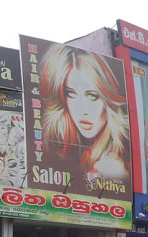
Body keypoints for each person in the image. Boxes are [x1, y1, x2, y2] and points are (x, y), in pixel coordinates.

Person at [39, 45, 130, 183]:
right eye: (71, 93)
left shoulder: (109, 166)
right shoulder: (70, 147)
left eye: (92, 96)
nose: (82, 109)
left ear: (109, 98)